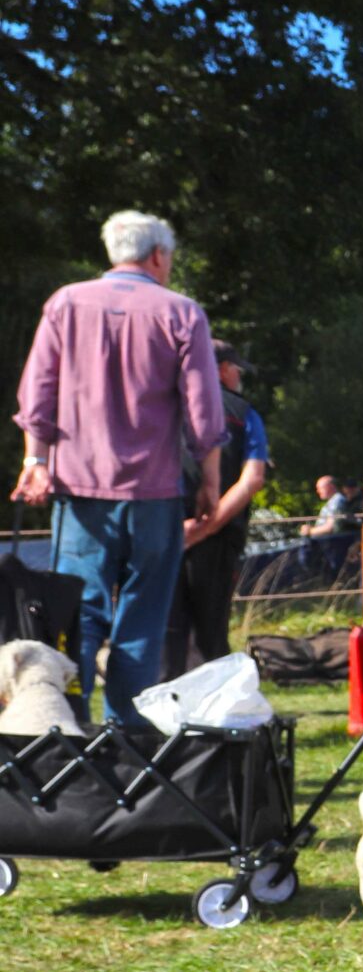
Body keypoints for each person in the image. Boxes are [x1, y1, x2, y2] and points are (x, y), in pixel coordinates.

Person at [12, 211, 224, 725]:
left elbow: (36, 393)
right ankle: (127, 733)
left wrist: (35, 460)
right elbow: (203, 408)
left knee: (75, 609)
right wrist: (211, 479)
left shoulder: (66, 303)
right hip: (154, 491)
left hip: (80, 491)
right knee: (145, 614)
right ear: (157, 255)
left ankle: (69, 719)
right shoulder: (182, 312)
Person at [163, 340, 271, 674]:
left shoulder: (161, 405)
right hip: (218, 537)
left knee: (166, 631)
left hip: (162, 533)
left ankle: (158, 714)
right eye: (238, 369)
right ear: (223, 370)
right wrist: (206, 528)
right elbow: (252, 479)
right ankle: (211, 718)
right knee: (211, 631)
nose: (239, 376)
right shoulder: (242, 414)